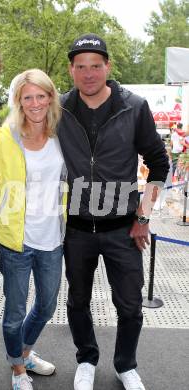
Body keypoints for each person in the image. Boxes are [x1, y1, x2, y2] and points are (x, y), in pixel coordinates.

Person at [57, 33, 169, 390]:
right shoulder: (58, 109)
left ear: (108, 66)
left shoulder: (134, 106)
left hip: (124, 228)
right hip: (76, 229)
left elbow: (159, 164)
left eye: (95, 65)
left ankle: (125, 365)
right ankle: (87, 359)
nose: (88, 73)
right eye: (81, 67)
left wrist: (144, 217)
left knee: (131, 304)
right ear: (71, 71)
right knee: (77, 300)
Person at [0, 69, 67, 390]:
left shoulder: (63, 133)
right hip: (15, 240)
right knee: (13, 312)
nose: (35, 103)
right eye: (27, 97)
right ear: (18, 101)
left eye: (41, 95)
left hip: (53, 239)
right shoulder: (4, 135)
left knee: (47, 305)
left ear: (51, 97)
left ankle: (24, 351)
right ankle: (18, 369)